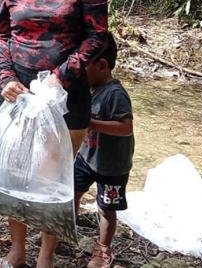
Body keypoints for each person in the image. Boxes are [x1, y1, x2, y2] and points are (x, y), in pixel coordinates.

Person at [0, 0, 109, 268]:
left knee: (52, 177)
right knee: (13, 171)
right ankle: (16, 251)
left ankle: (46, 257)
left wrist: (62, 76)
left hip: (67, 93)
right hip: (17, 92)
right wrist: (7, 76)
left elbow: (97, 36)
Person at [74, 33, 134, 268]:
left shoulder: (115, 94)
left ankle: (103, 249)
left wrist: (92, 124)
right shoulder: (90, 88)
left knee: (106, 208)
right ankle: (65, 229)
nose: (79, 72)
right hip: (87, 157)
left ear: (101, 65)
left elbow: (126, 127)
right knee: (71, 192)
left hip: (112, 166)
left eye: (84, 67)